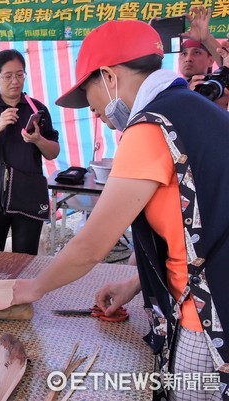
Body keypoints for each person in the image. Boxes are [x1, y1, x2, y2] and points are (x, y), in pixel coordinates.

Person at [12, 20, 229, 401]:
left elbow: (90, 247)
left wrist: (30, 289)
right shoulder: (193, 107)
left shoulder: (149, 127)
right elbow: (198, 225)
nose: (94, 111)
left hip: (207, 317)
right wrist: (135, 283)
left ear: (109, 76)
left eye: (89, 96)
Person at [0, 49, 60, 265]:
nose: (15, 81)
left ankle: (20, 299)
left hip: (28, 194)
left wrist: (38, 140)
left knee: (24, 260)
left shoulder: (38, 110)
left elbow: (53, 151)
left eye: (20, 74)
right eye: (8, 76)